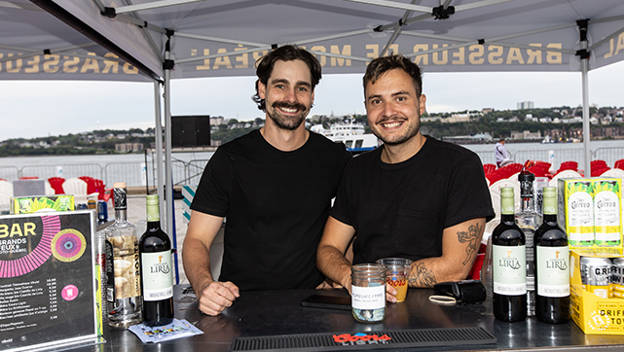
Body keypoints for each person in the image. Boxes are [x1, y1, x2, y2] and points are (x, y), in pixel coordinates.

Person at [183, 45, 350, 316]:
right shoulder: (230, 159)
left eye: (302, 88)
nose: (291, 98)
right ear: (262, 90)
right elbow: (197, 240)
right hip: (240, 306)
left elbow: (354, 226)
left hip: (315, 304)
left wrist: (336, 278)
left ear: (312, 95)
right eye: (281, 86)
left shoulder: (333, 157)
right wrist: (205, 287)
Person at [316, 55, 494, 302]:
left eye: (400, 98)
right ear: (366, 108)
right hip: (366, 309)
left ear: (421, 104)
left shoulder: (460, 166)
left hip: (436, 316)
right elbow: (328, 249)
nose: (388, 112)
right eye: (376, 101)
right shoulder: (357, 170)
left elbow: (455, 267)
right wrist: (347, 276)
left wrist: (367, 278)